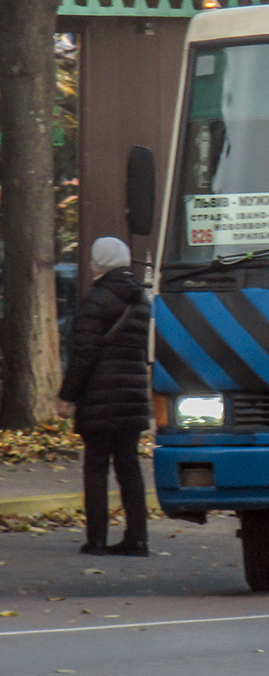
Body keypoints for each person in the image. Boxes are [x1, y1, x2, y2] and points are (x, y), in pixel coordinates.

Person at [57, 237, 152, 556]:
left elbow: (83, 353)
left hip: (99, 396)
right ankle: (137, 538)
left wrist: (67, 396)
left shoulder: (97, 300)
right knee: (129, 467)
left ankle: (96, 539)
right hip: (132, 395)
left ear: (101, 264)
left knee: (96, 466)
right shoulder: (141, 300)